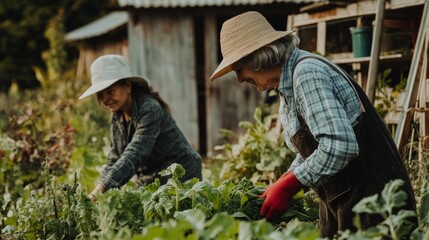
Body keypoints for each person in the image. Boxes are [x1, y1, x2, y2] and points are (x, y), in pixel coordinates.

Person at [209, 11, 417, 238]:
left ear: (259, 56)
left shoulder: (307, 74)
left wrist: (291, 184)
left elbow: (340, 145)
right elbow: (315, 147)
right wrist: (285, 178)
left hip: (375, 203)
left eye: (239, 69)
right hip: (346, 199)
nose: (239, 79)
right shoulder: (288, 86)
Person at [79, 54, 202, 200]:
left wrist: (101, 189)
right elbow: (114, 158)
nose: (105, 99)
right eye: (101, 94)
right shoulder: (117, 116)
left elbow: (135, 152)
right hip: (150, 178)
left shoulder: (149, 109)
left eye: (110, 92)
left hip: (181, 174)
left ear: (128, 87)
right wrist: (100, 187)